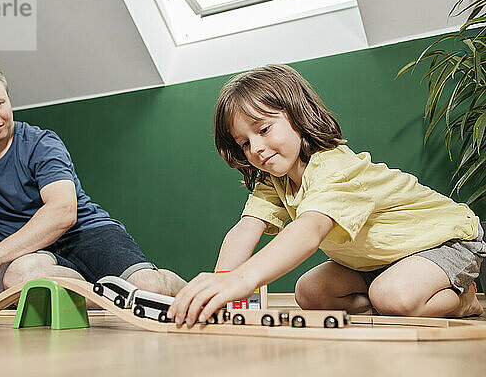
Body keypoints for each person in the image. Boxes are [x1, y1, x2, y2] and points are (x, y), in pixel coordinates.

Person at [168, 64, 486, 327]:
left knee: (394, 297)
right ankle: (392, 301)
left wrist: (242, 280)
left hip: (443, 241)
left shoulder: (335, 169)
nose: (256, 149)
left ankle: (463, 299)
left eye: (263, 130)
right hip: (381, 260)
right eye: (244, 143)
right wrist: (220, 282)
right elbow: (246, 228)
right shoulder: (275, 180)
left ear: (298, 113)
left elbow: (308, 231)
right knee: (311, 293)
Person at [0, 59, 185, 304]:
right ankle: (103, 292)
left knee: (151, 290)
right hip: (39, 254)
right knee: (17, 278)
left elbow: (62, 211)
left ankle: (179, 286)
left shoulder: (41, 143)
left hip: (87, 234)